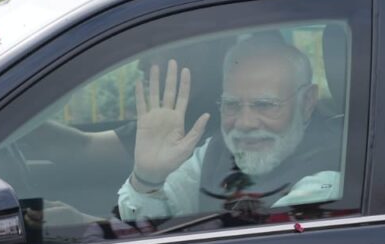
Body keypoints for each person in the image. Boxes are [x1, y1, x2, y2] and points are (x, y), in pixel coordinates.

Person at [117, 35, 341, 222]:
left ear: (307, 102)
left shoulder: (325, 180)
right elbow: (144, 233)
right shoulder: (215, 152)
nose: (244, 123)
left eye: (265, 105)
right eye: (232, 105)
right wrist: (148, 179)